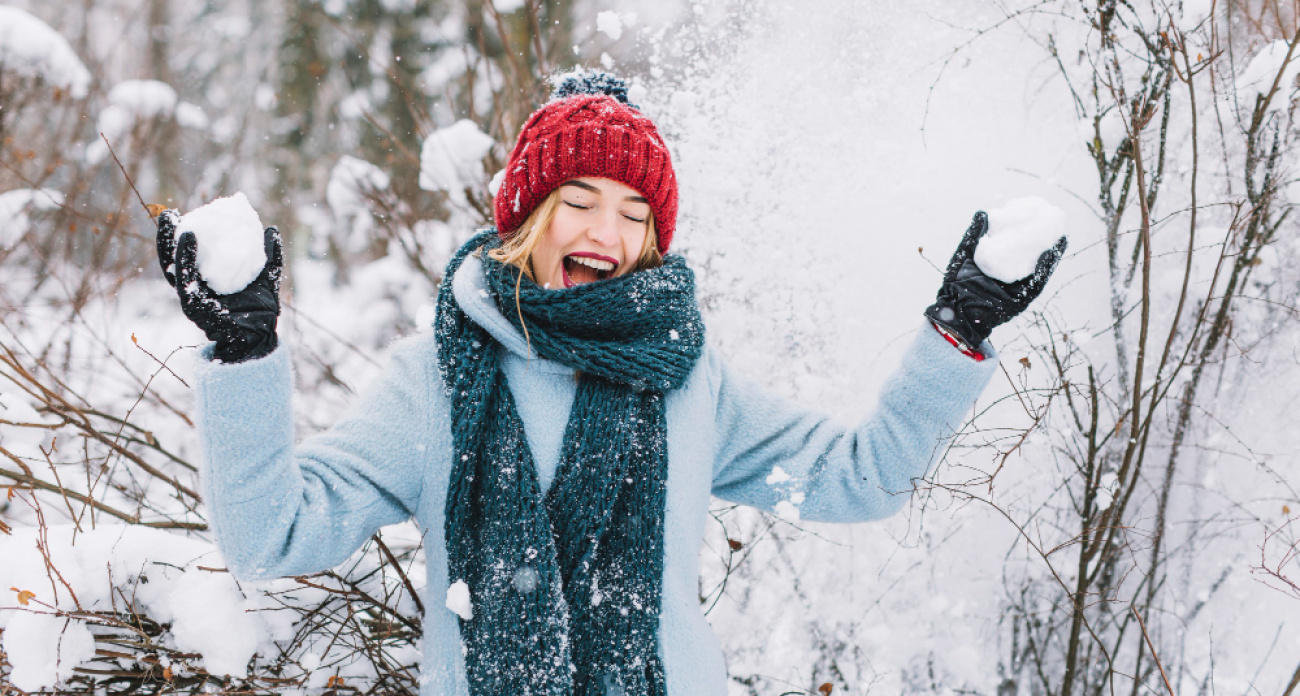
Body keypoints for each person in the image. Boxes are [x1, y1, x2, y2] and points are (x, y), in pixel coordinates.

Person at [154, 71, 1065, 696]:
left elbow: (858, 478)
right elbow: (272, 536)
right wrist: (244, 355)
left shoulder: (684, 377)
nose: (607, 230)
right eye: (579, 201)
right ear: (528, 216)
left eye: (635, 212)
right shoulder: (436, 380)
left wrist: (958, 332)